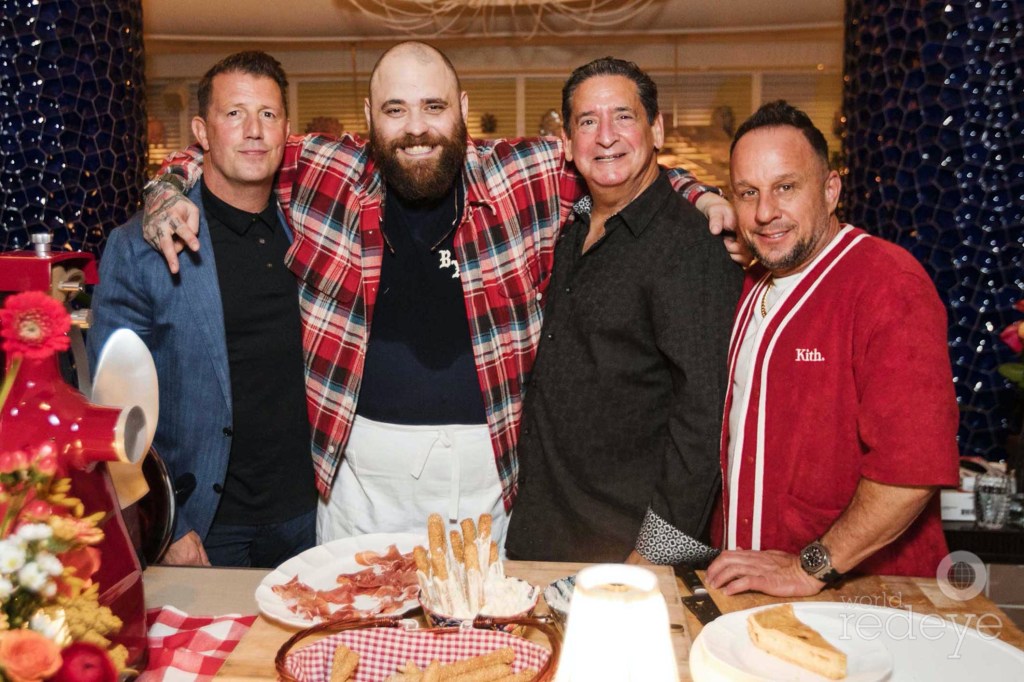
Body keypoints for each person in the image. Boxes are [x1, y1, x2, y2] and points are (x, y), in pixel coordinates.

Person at [140, 42, 741, 547]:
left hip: (490, 476)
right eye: (396, 110)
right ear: (369, 115)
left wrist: (701, 195)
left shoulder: (521, 175)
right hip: (357, 480)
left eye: (433, 106)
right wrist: (165, 189)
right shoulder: (326, 169)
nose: (417, 128)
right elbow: (227, 146)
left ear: (463, 110)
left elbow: (620, 167)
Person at [704, 101, 960, 597]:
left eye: (785, 187)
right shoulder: (751, 284)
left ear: (830, 189)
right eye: (747, 193)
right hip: (751, 591)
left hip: (874, 595)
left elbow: (911, 472)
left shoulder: (888, 283)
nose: (764, 212)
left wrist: (808, 568)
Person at [504, 58, 742, 564]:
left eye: (624, 117)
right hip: (542, 534)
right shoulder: (572, 228)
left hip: (622, 552)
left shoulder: (690, 247)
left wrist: (654, 557)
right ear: (567, 144)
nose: (606, 136)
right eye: (587, 121)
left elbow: (706, 418)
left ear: (656, 130)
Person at [88, 52, 317, 567]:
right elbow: (112, 405)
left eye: (268, 114)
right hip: (206, 527)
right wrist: (164, 523)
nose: (254, 130)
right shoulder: (143, 246)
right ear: (202, 130)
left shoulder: (312, 232)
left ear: (286, 129)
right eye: (234, 113)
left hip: (312, 518)